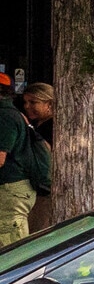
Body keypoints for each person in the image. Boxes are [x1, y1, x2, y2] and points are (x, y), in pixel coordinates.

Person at [0, 82, 53, 248]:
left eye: (33, 103)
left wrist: (29, 128)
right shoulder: (25, 120)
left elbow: (47, 149)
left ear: (49, 104)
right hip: (33, 185)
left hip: (42, 187)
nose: (27, 107)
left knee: (27, 237)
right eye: (25, 102)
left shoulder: (53, 126)